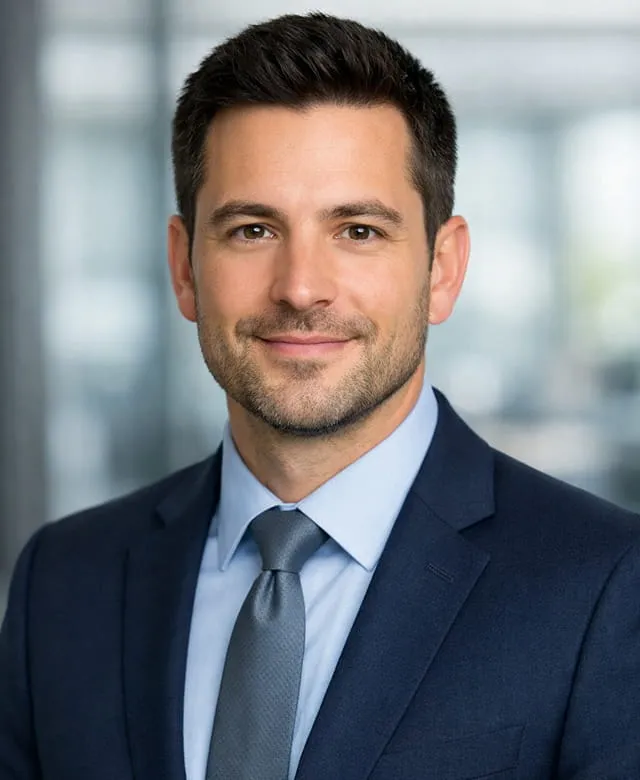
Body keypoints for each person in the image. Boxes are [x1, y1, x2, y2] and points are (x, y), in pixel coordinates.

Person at [1, 12, 639, 780]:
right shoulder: (65, 582)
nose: (301, 287)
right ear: (183, 266)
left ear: (441, 268)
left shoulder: (606, 585)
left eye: (359, 231)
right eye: (252, 230)